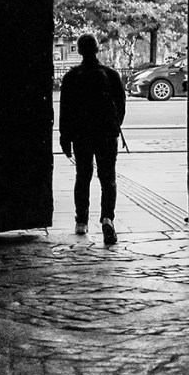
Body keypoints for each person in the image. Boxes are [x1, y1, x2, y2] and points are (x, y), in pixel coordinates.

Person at [58, 34, 126, 243]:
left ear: (79, 50)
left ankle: (81, 221)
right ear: (97, 49)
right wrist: (114, 128)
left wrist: (65, 138)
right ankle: (107, 218)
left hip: (82, 135)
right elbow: (121, 106)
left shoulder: (71, 77)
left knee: (83, 176)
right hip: (106, 134)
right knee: (108, 179)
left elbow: (65, 111)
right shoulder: (111, 75)